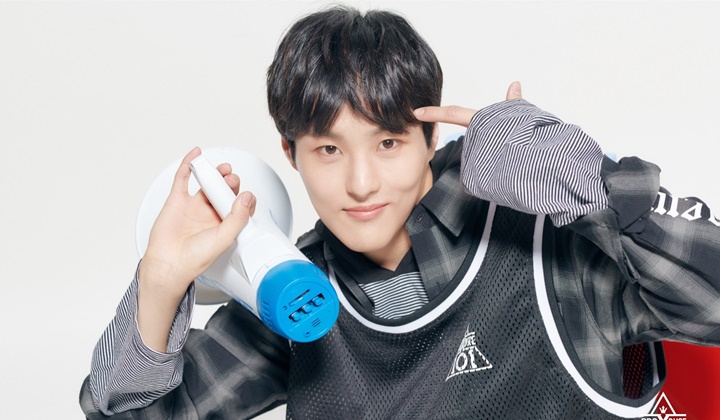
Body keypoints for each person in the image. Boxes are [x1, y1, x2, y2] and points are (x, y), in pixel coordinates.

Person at [79, 5, 720, 419]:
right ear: (290, 154)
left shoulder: (541, 239)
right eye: (329, 150)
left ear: (429, 138)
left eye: (388, 143)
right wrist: (161, 282)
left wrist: (591, 180)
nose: (361, 184)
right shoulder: (297, 298)